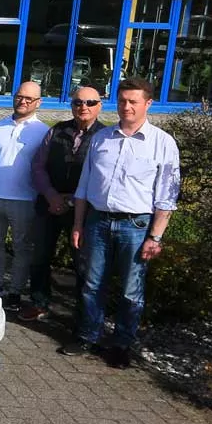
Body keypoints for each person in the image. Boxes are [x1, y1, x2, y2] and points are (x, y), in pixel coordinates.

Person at [60, 78, 181, 368]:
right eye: (123, 100)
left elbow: (167, 194)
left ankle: (122, 344)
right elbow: (85, 186)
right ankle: (88, 334)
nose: (126, 107)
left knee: (131, 290)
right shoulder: (102, 139)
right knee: (92, 284)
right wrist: (78, 223)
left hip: (136, 227)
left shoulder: (162, 143)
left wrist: (156, 237)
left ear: (147, 104)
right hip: (98, 221)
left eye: (133, 101)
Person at [27, 86, 106, 322]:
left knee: (83, 264)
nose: (83, 107)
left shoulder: (104, 136)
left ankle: (83, 315)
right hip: (49, 205)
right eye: (78, 102)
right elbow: (38, 167)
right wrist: (51, 196)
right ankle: (39, 302)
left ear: (99, 106)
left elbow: (102, 177)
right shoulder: (56, 131)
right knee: (40, 256)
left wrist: (71, 200)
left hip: (83, 210)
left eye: (90, 103)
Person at [0, 81, 49, 313]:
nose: (23, 102)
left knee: (21, 248)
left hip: (24, 200)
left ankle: (15, 291)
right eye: (19, 96)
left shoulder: (43, 131)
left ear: (39, 103)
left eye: (29, 99)